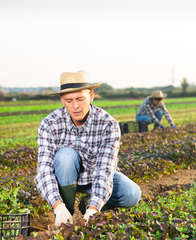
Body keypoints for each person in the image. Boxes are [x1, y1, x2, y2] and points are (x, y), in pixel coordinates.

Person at [35, 70, 141, 226]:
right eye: (69, 100)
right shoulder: (49, 124)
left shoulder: (107, 124)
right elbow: (44, 170)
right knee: (66, 155)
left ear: (91, 96)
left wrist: (93, 209)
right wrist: (58, 206)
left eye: (80, 99)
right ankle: (66, 215)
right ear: (62, 100)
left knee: (132, 194)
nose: (75, 106)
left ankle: (87, 204)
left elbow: (104, 169)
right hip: (64, 177)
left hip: (94, 177)